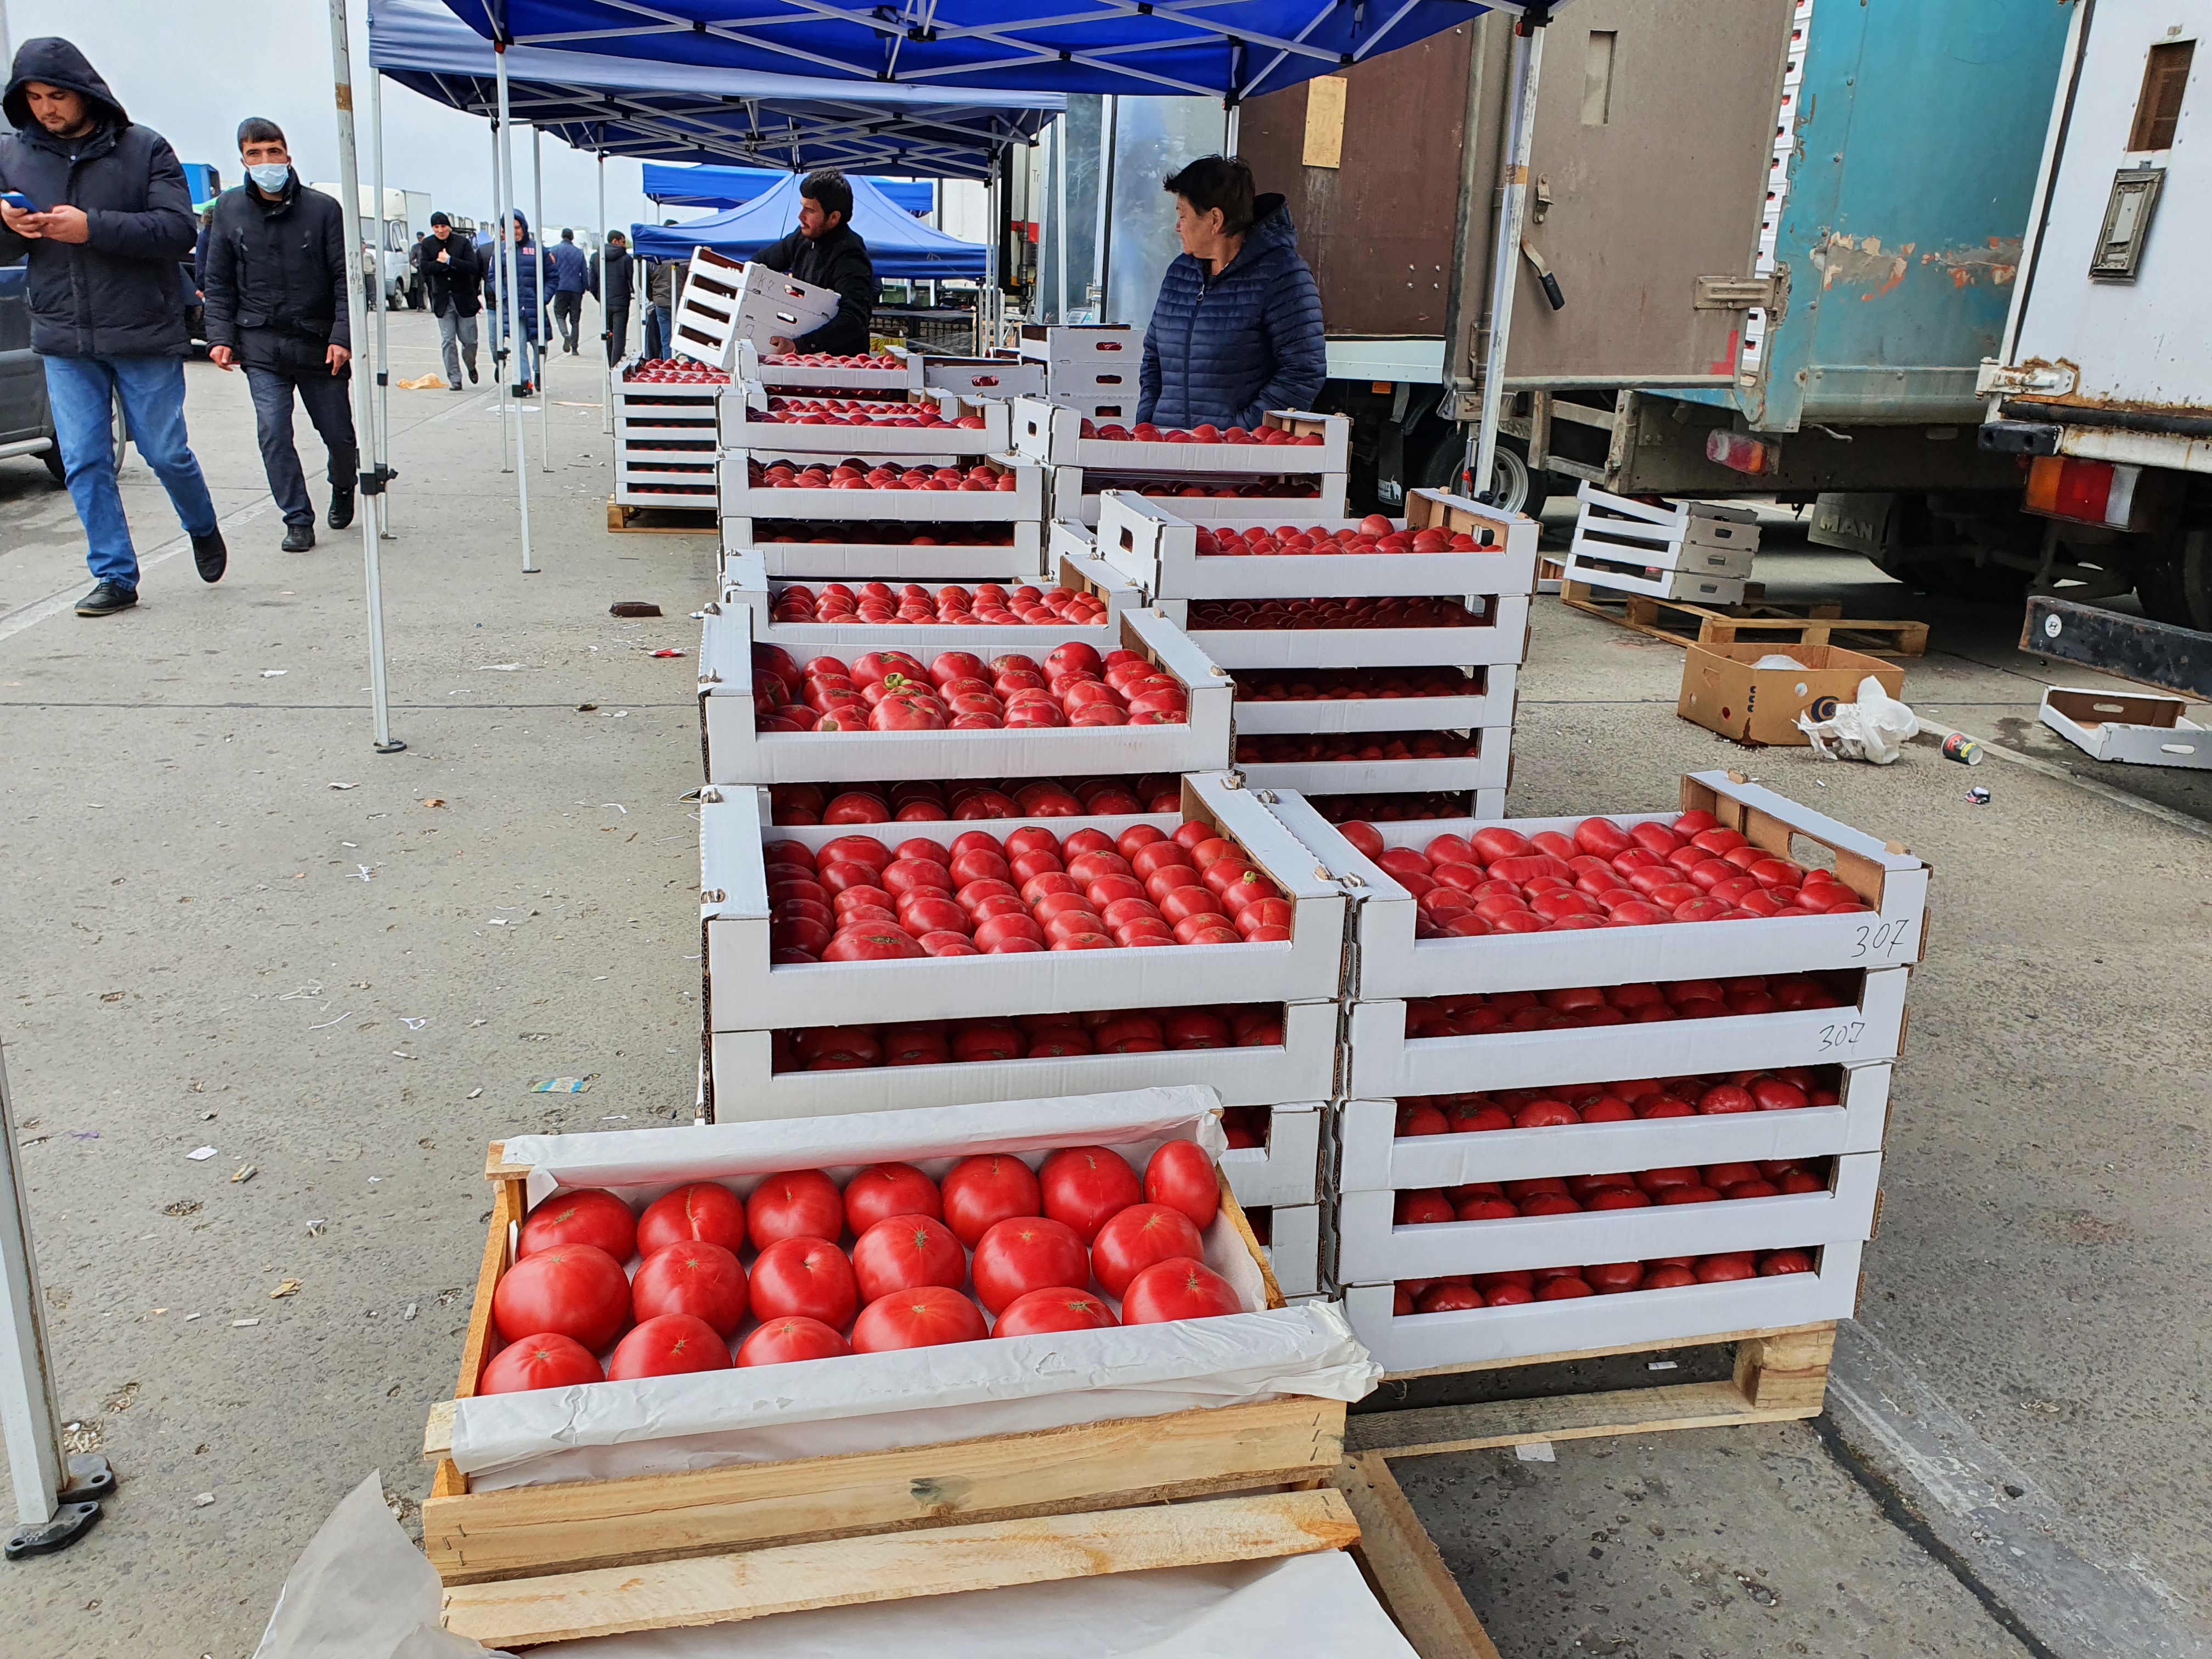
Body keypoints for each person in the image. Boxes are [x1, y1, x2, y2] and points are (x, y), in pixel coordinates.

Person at [0, 38, 223, 617]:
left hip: (141, 327)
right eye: (34, 97)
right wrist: (11, 226)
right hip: (61, 333)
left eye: (57, 95)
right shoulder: (13, 156)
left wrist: (91, 228)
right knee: (84, 458)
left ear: (86, 91)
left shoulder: (144, 148)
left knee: (164, 450)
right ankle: (115, 575)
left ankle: (201, 524)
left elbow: (178, 231)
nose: (47, 109)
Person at [202, 116, 357, 554]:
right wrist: (220, 337)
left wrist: (341, 336)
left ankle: (343, 483)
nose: (265, 161)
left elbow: (345, 278)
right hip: (261, 343)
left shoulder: (324, 210)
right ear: (243, 160)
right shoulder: (228, 210)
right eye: (255, 154)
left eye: (273, 152)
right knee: (273, 431)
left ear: (287, 155)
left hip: (319, 344)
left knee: (339, 436)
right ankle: (297, 518)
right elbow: (218, 281)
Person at [1137, 155, 1325, 433]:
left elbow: (1303, 371)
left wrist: (1243, 432)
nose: (1178, 226)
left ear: (1215, 220)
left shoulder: (1283, 275)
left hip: (1238, 461)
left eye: (1183, 215)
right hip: (1166, 450)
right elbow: (1153, 356)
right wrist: (1148, 421)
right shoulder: (1179, 273)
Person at [754, 170, 874, 357]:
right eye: (802, 207)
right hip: (800, 357)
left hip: (838, 366)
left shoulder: (850, 255)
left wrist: (801, 346)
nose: (800, 216)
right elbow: (760, 263)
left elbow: (854, 319)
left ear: (834, 218)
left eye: (810, 211)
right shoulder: (800, 238)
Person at [422, 210, 481, 390]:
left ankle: (470, 364)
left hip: (464, 299)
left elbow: (473, 267)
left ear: (449, 227)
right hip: (443, 300)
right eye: (437, 227)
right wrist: (440, 265)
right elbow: (425, 267)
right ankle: (455, 378)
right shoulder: (428, 244)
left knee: (469, 341)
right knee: (448, 341)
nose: (440, 230)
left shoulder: (462, 243)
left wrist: (450, 261)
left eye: (443, 226)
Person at [484, 209, 541, 391]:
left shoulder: (536, 248)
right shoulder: (500, 251)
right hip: (514, 307)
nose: (514, 232)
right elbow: (493, 276)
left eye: (517, 227)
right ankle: (525, 382)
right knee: (519, 345)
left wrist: (543, 297)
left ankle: (538, 371)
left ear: (523, 227)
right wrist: (504, 296)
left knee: (539, 345)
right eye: (509, 228)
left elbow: (551, 276)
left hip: (534, 306)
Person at [590, 227, 631, 364]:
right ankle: (616, 367)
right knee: (619, 336)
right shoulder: (626, 258)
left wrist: (600, 297)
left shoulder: (597, 257)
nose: (625, 245)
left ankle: (609, 366)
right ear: (615, 241)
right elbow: (631, 280)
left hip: (606, 302)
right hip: (621, 303)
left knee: (608, 334)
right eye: (623, 242)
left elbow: (592, 283)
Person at [548, 226, 587, 353]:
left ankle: (566, 335)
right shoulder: (579, 252)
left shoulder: (553, 251)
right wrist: (584, 288)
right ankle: (575, 348)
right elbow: (584, 273)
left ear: (562, 236)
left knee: (559, 314)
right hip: (576, 289)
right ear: (573, 238)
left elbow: (549, 270)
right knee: (575, 320)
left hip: (560, 287)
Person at [644, 228, 677, 360]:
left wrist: (653, 298)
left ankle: (669, 367)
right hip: (680, 302)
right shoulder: (683, 255)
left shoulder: (654, 257)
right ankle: (692, 369)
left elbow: (646, 282)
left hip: (661, 301)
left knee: (666, 341)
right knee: (686, 341)